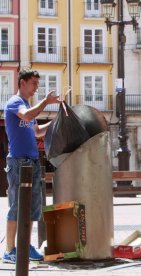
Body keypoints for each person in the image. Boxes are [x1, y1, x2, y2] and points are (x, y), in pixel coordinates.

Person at [3, 68, 61, 263]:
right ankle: (10, 250)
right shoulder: (15, 103)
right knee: (16, 207)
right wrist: (46, 102)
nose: (37, 87)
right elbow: (26, 117)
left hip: (32, 162)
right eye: (34, 83)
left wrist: (56, 122)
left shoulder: (28, 106)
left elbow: (36, 131)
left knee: (31, 208)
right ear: (22, 83)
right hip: (18, 161)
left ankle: (25, 247)